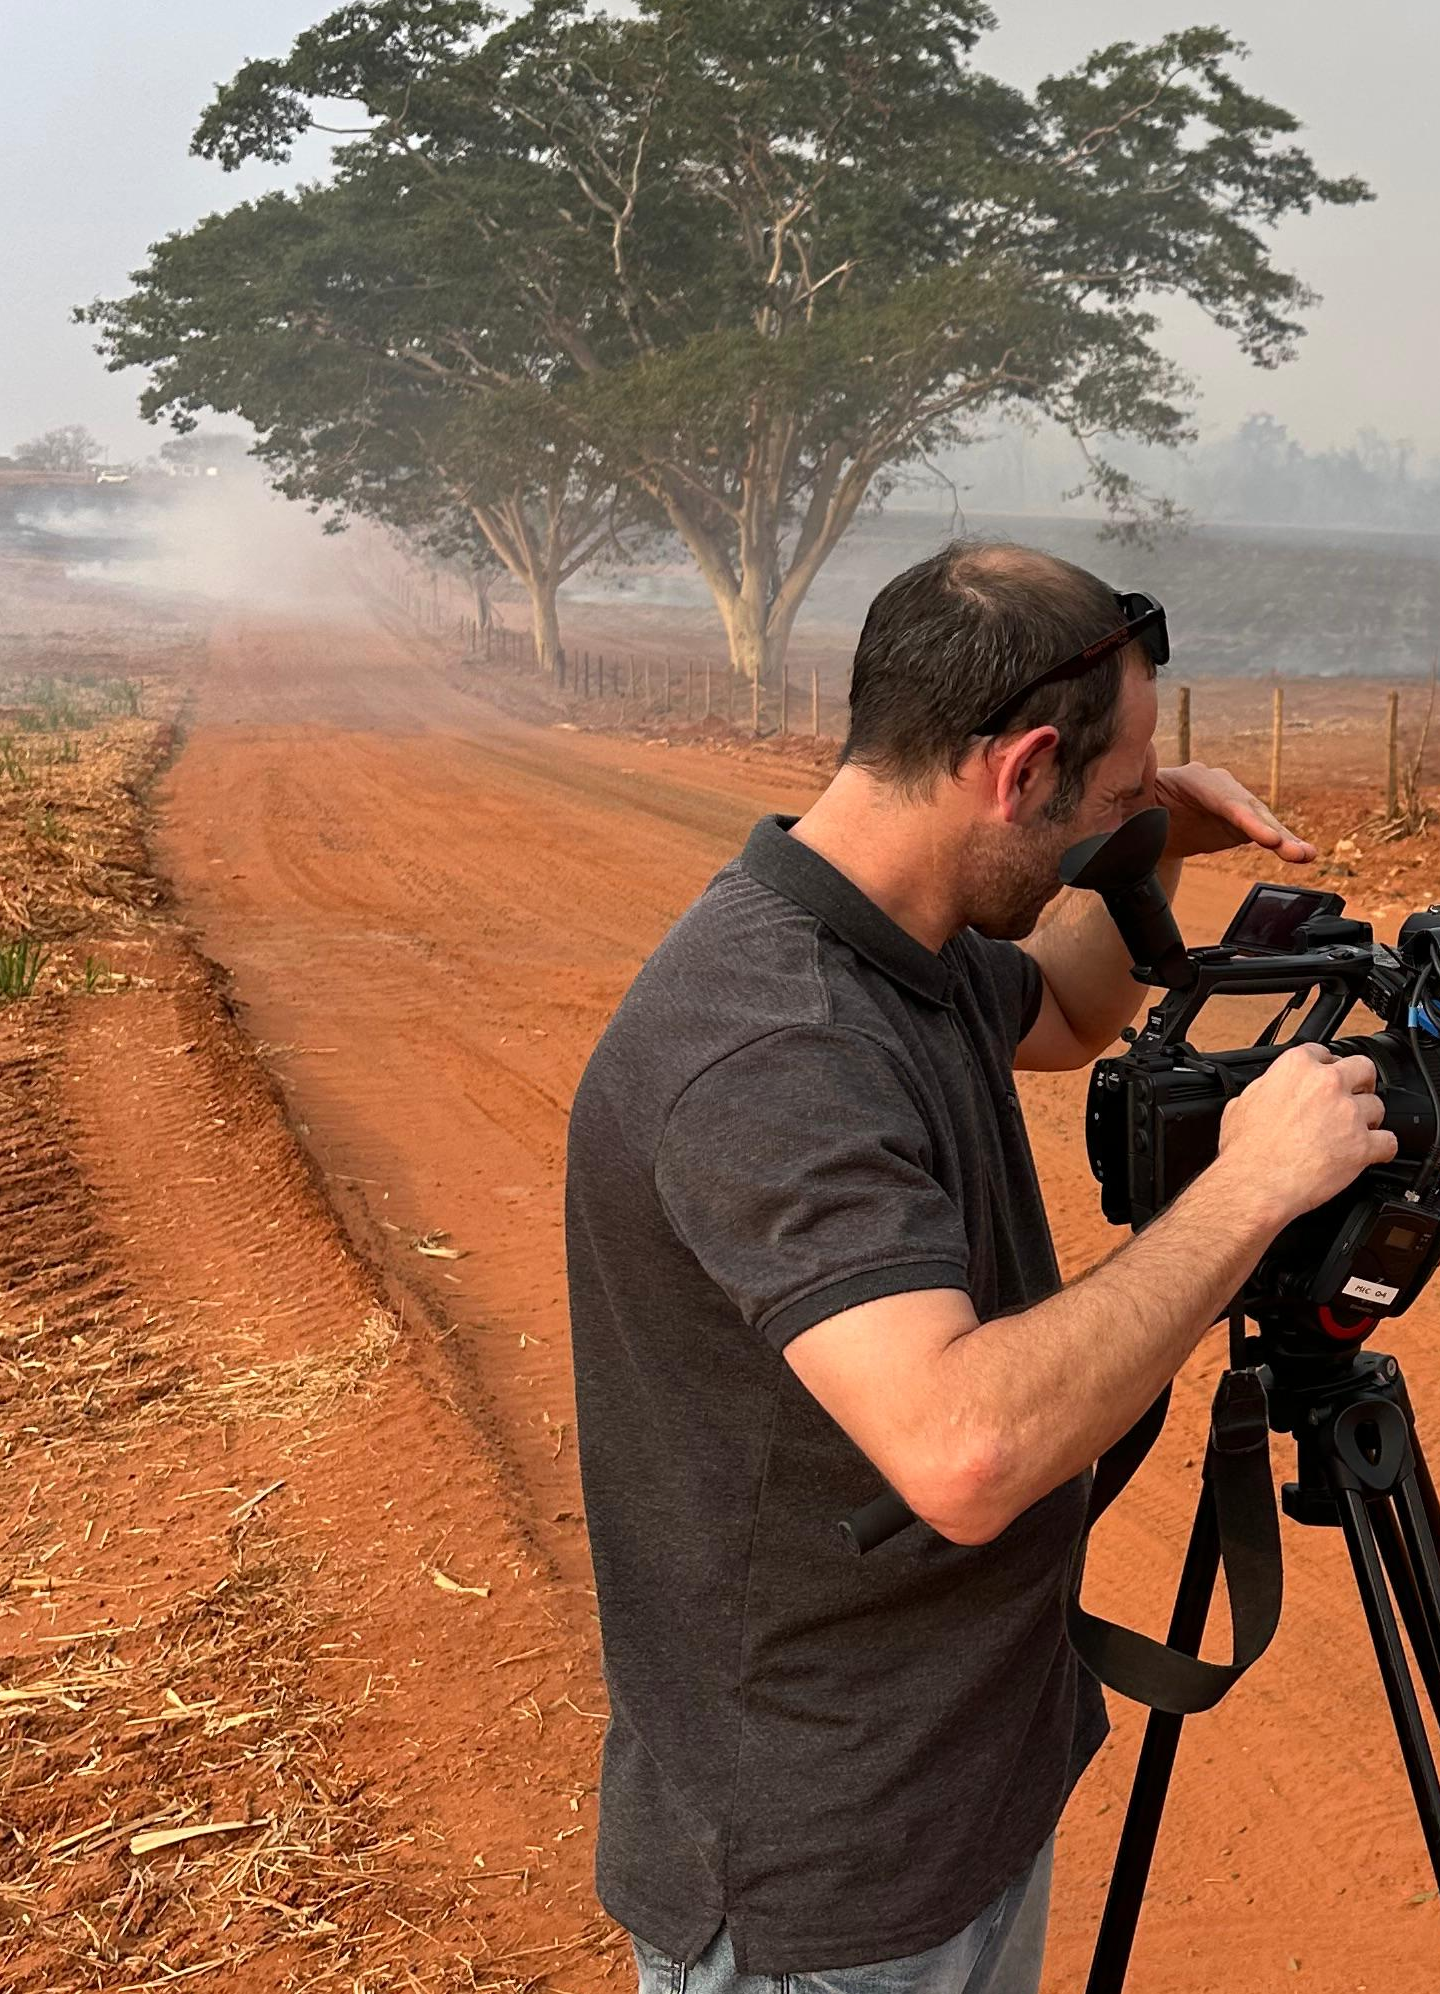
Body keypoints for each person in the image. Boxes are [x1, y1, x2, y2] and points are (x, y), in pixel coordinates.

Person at [564, 542, 1396, 1993]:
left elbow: (1073, 1008)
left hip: (948, 1775)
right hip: (828, 1870)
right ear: (1017, 774)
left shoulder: (897, 934)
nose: (1131, 812)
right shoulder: (774, 1044)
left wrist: (1148, 846)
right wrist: (1254, 1189)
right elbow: (961, 1449)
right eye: (1118, 790)